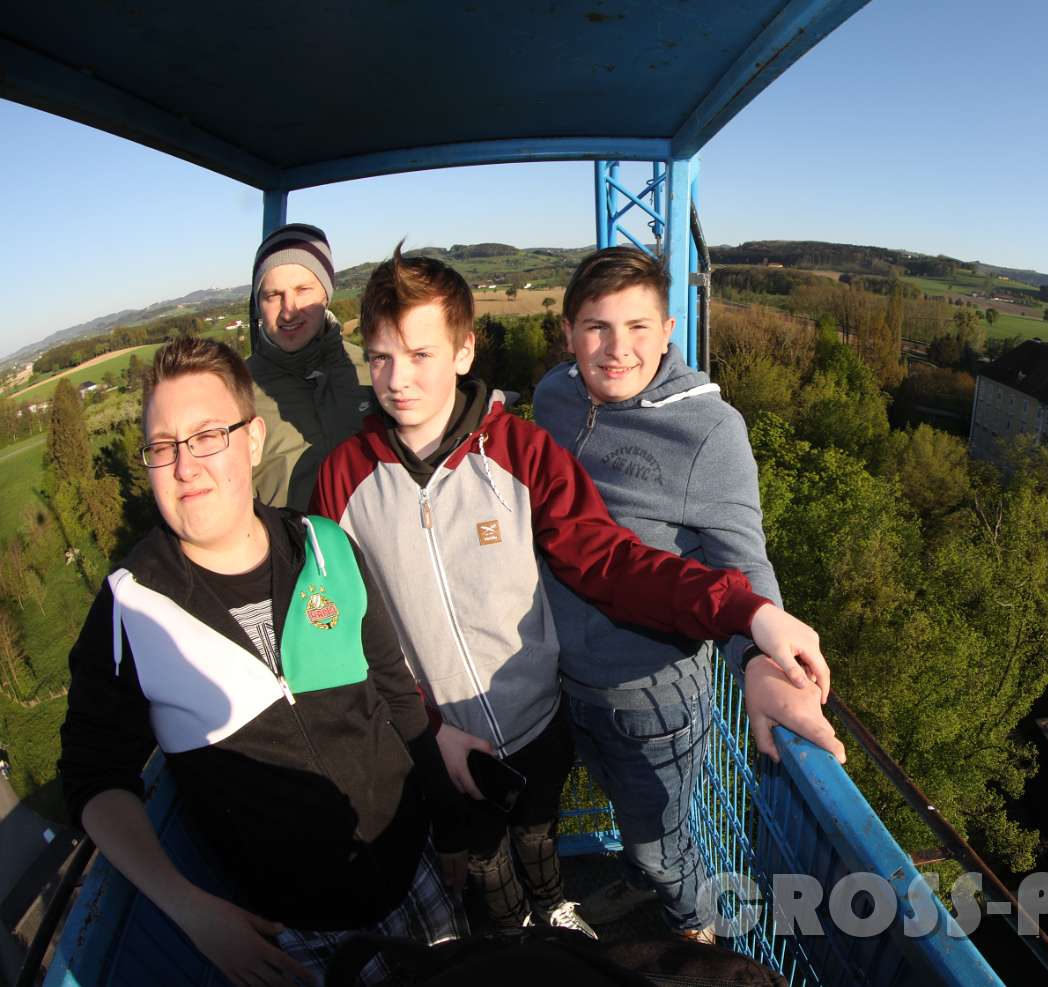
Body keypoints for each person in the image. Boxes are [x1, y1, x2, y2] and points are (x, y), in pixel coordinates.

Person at [310, 245, 833, 943]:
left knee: (548, 830)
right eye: (380, 358)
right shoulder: (344, 479)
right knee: (485, 858)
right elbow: (346, 629)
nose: (399, 380)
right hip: (449, 728)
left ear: (464, 351)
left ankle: (625, 923)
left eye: (421, 355)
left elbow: (610, 560)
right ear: (569, 335)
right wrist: (424, 729)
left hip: (550, 710)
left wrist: (752, 619)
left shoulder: (523, 451)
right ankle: (519, 941)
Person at [59, 338, 468, 987]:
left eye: (207, 436)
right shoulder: (130, 608)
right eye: (162, 446)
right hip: (292, 936)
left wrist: (448, 824)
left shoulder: (327, 546)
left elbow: (396, 691)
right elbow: (93, 778)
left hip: (414, 867)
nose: (185, 465)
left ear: (251, 440)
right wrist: (190, 909)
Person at [533, 246, 843, 938]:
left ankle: (694, 931)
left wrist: (761, 661)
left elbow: (744, 562)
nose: (617, 349)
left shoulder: (709, 430)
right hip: (565, 681)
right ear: (568, 332)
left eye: (638, 327)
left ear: (669, 329)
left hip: (653, 695)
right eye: (597, 327)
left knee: (661, 843)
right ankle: (642, 887)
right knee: (625, 818)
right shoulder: (554, 396)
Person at [248, 223, 375, 510]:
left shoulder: (373, 370)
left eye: (303, 290)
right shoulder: (236, 393)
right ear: (258, 304)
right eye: (273, 295)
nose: (288, 310)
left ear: (325, 294)